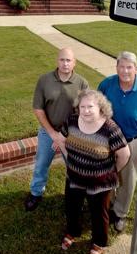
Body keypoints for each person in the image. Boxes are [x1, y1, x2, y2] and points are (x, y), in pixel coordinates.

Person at [59, 90, 130, 254]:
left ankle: (99, 243)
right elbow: (61, 139)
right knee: (72, 207)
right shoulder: (72, 121)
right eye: (82, 107)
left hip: (100, 182)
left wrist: (112, 171)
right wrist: (70, 161)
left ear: (100, 108)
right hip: (75, 177)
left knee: (99, 214)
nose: (86, 110)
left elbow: (124, 154)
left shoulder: (110, 128)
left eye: (90, 106)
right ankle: (73, 231)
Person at [24, 47, 89, 211]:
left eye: (69, 60)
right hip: (48, 132)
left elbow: (84, 112)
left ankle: (75, 197)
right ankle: (36, 193)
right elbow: (38, 109)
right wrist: (54, 134)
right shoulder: (44, 80)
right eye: (62, 60)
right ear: (57, 61)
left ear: (75, 63)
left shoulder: (82, 83)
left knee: (75, 167)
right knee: (41, 164)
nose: (65, 63)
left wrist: (63, 135)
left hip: (72, 135)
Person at [98, 51, 137, 232]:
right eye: (122, 66)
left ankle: (120, 212)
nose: (125, 71)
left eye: (129, 67)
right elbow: (97, 111)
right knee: (107, 174)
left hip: (133, 141)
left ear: (136, 68)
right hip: (108, 141)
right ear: (116, 67)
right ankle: (107, 202)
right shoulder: (107, 84)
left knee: (128, 179)